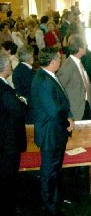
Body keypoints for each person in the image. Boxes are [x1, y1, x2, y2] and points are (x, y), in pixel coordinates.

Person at [31, 47, 75, 215]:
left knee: (54, 169)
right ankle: (49, 206)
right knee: (49, 171)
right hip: (50, 133)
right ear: (52, 62)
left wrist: (68, 116)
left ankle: (54, 199)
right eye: (58, 58)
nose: (60, 60)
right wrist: (67, 120)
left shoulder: (47, 75)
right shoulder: (43, 80)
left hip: (55, 131)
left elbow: (60, 102)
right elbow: (53, 110)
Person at [0, 53, 27, 215]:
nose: (11, 66)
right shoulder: (4, 89)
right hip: (8, 140)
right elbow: (18, 110)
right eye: (9, 64)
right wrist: (22, 102)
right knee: (8, 175)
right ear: (4, 67)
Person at [57, 34, 91, 121]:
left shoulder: (78, 62)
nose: (86, 47)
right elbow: (59, 90)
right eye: (84, 45)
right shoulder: (67, 67)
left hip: (84, 106)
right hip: (76, 111)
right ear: (79, 48)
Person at [12, 45, 35, 123]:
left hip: (24, 106)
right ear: (28, 57)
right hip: (31, 107)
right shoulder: (27, 72)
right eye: (32, 55)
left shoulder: (18, 69)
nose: (33, 57)